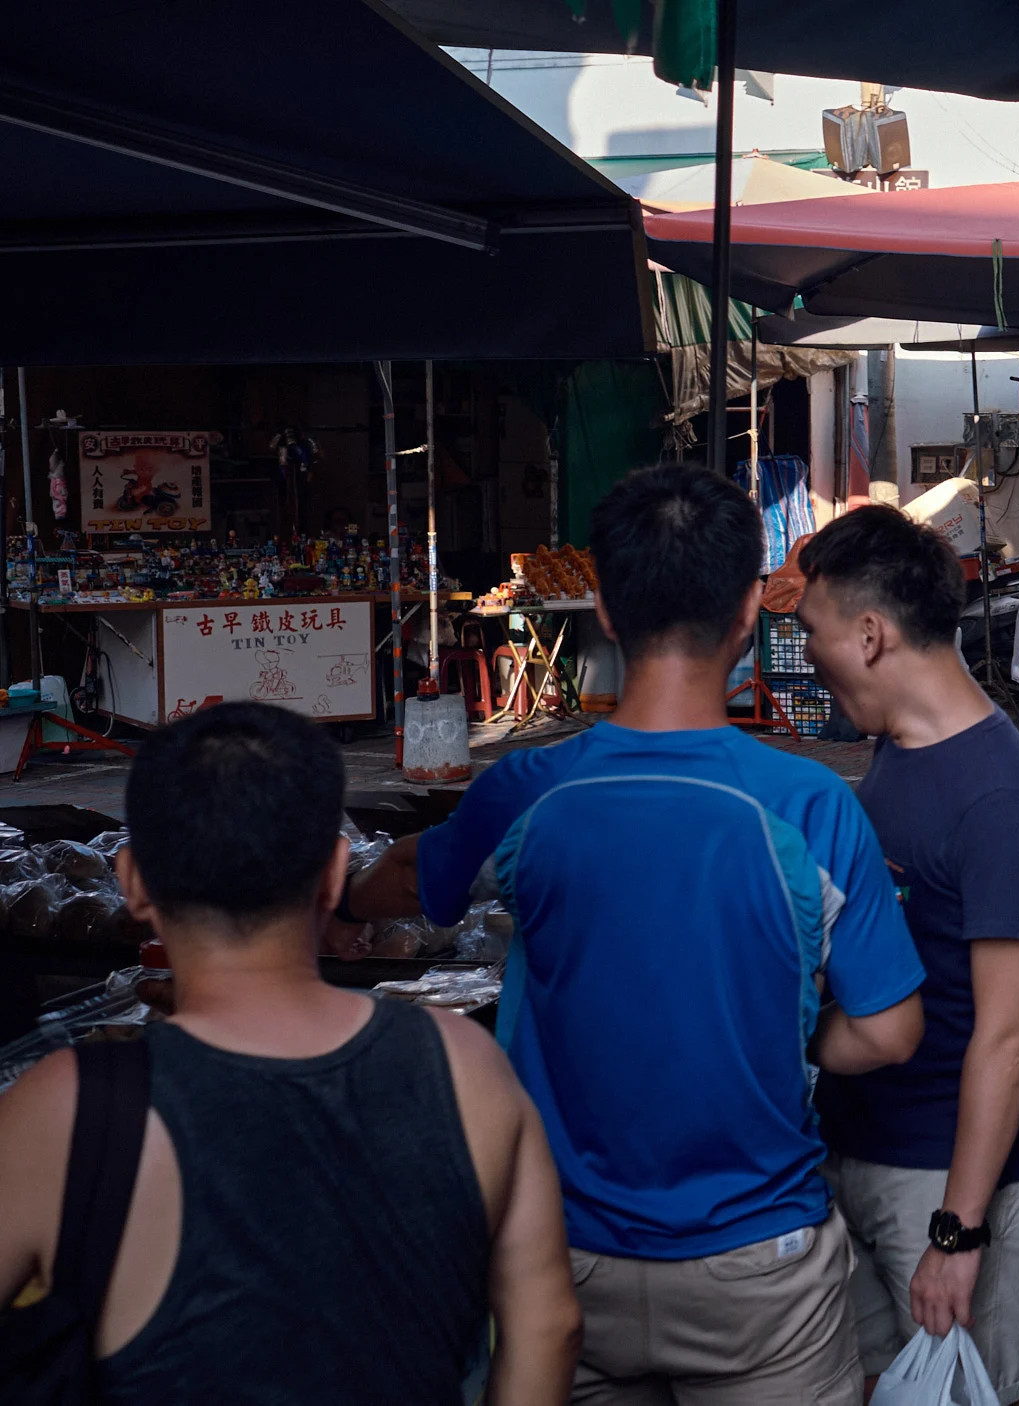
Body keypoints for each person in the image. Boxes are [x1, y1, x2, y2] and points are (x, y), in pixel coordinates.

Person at [342, 465, 927, 1405]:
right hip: (759, 1263)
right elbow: (892, 1031)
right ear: (749, 612)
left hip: (561, 1258)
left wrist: (338, 889)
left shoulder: (526, 790)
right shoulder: (811, 804)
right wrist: (772, 1022)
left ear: (605, 610)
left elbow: (412, 880)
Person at [0, 703, 578, 1404]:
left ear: (133, 883)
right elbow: (546, 1325)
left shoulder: (62, 1110)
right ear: (336, 875)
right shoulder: (466, 1068)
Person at [798, 506, 1019, 1406]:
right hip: (853, 1148)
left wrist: (958, 1233)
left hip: (946, 1174)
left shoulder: (1002, 799)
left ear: (870, 634)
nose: (809, 656)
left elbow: (1008, 1037)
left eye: (814, 632)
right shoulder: (891, 751)